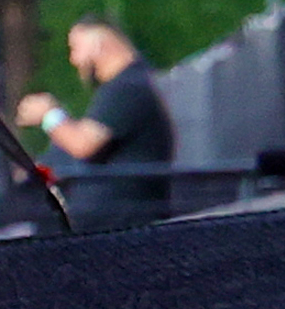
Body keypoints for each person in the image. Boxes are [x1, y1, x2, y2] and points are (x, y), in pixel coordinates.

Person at [22, 16, 182, 230]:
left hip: (122, 228)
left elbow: (83, 144)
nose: (74, 59)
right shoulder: (120, 89)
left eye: (75, 48)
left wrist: (49, 114)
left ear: (98, 43)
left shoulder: (128, 88)